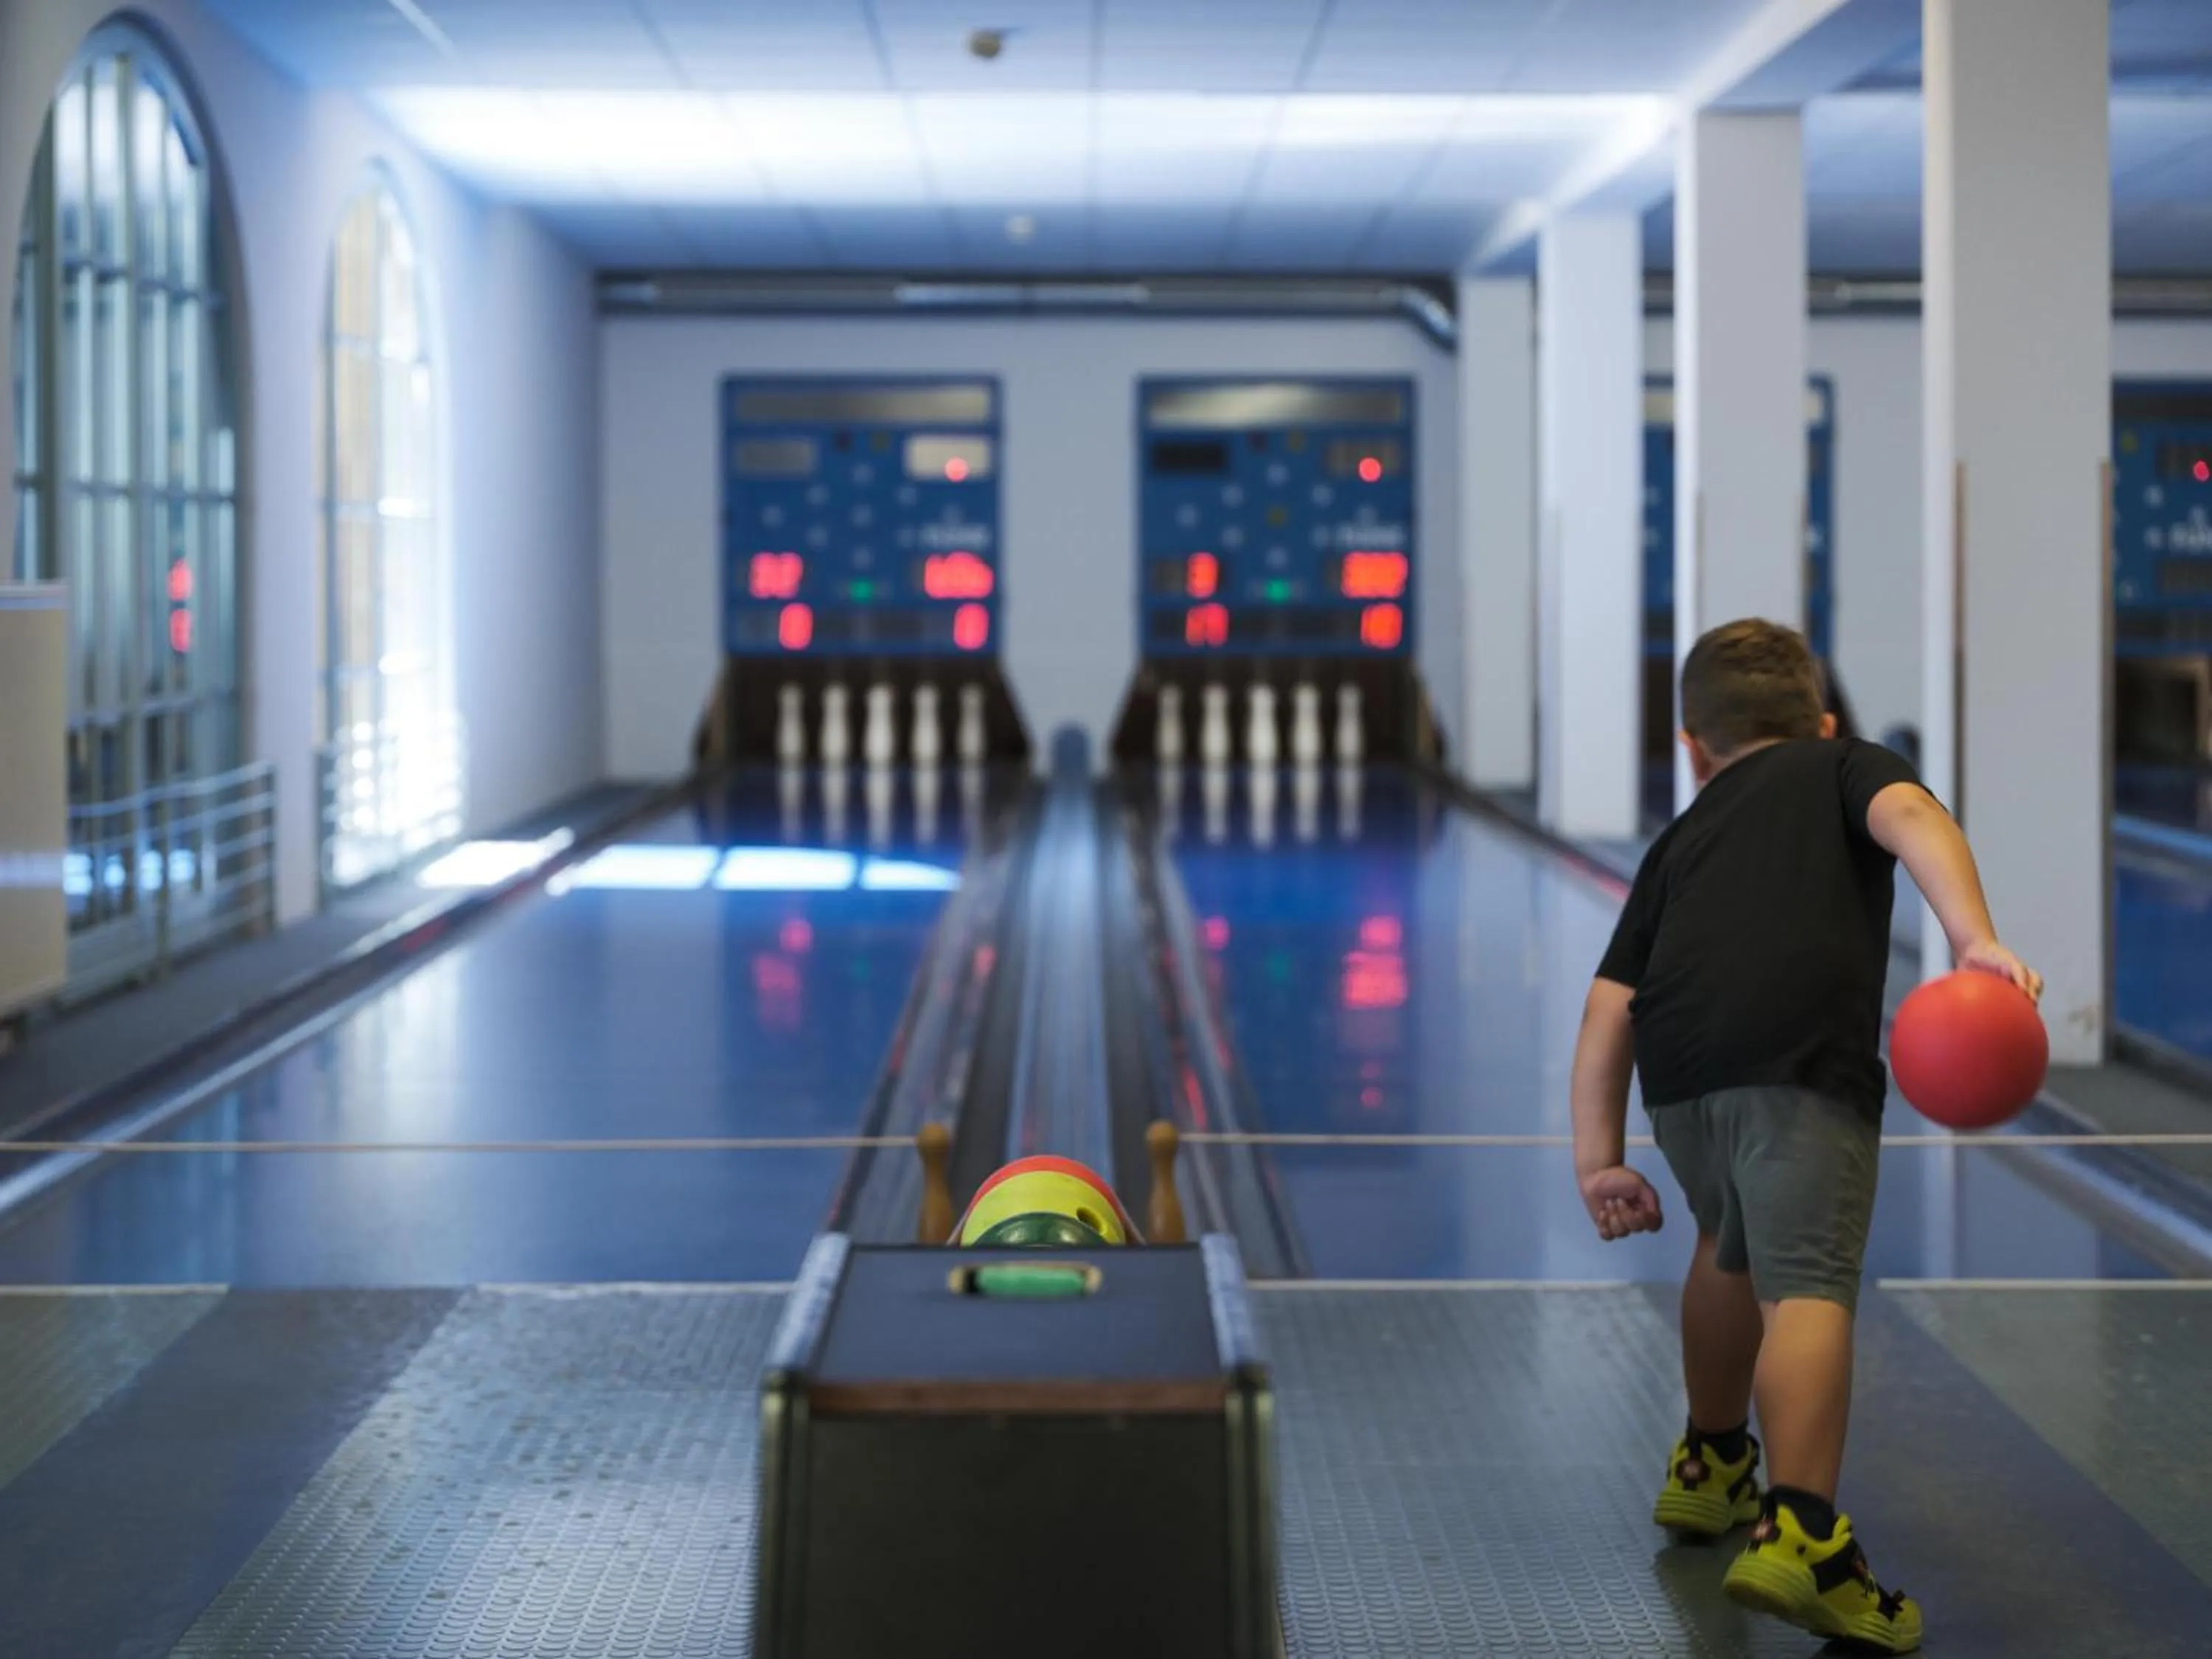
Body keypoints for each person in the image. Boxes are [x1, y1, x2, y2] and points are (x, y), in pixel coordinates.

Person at [1568, 619, 2041, 1655]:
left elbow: (1609, 1003)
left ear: (1693, 747)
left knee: (1726, 1246)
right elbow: (1911, 813)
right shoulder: (1846, 766)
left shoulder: (1679, 839)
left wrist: (1598, 1157)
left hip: (1680, 1079)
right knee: (1809, 1282)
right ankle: (1806, 1534)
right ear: (1822, 723)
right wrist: (1971, 938)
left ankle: (1711, 1460)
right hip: (1798, 1061)